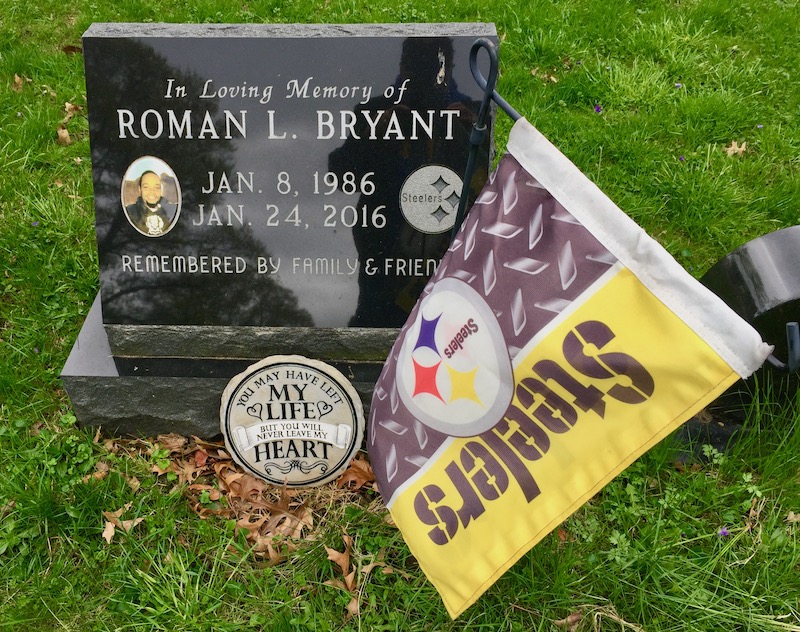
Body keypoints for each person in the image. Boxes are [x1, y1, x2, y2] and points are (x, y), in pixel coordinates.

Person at [125, 170, 176, 236]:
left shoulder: (173, 211)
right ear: (140, 190)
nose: (152, 191)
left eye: (157, 187)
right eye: (146, 187)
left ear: (161, 190)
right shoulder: (130, 212)